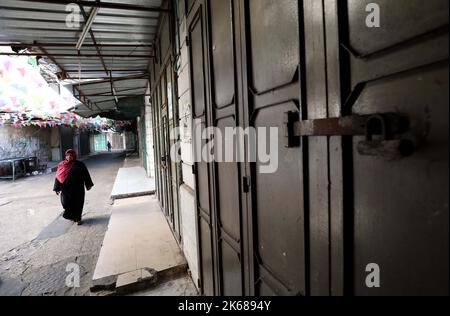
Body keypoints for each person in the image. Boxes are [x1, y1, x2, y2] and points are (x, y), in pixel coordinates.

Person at [53, 149, 94, 225]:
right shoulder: (61, 165)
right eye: (67, 155)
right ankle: (72, 216)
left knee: (78, 204)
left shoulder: (80, 164)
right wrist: (56, 188)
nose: (69, 157)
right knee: (66, 203)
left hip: (78, 189)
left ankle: (78, 218)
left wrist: (88, 184)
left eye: (71, 155)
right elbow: (58, 177)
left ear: (74, 156)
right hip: (65, 189)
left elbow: (86, 175)